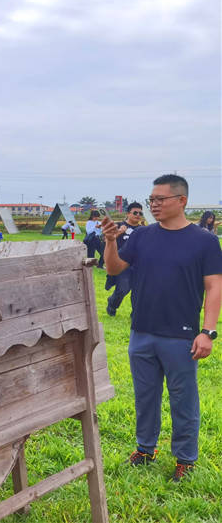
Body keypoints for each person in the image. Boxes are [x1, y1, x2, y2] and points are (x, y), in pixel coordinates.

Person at [102, 174, 222, 482]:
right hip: (141, 331)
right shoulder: (142, 236)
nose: (153, 205)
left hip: (181, 336)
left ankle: (185, 458)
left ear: (181, 201)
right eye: (151, 199)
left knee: (183, 399)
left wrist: (207, 332)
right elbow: (114, 268)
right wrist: (111, 242)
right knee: (145, 396)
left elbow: (214, 287)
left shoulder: (205, 241)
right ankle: (145, 449)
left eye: (160, 199)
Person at [104, 202, 144, 317]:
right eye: (135, 213)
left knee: (139, 291)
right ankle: (112, 304)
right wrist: (119, 232)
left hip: (138, 265)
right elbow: (106, 240)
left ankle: (135, 314)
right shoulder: (118, 225)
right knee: (123, 289)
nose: (138, 215)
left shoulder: (143, 230)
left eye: (140, 213)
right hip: (121, 263)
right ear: (128, 213)